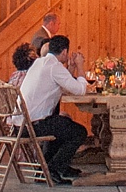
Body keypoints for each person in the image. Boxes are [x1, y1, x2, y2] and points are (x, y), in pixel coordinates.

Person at [19, 34, 88, 183]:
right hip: (34, 125)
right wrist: (81, 66)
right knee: (79, 132)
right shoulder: (54, 67)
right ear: (64, 52)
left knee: (61, 124)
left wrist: (70, 68)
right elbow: (80, 90)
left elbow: (62, 83)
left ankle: (49, 168)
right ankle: (53, 169)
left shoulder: (40, 63)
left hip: (22, 123)